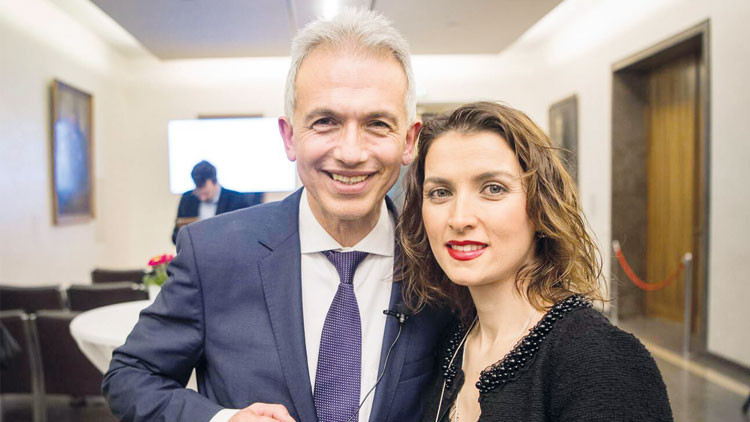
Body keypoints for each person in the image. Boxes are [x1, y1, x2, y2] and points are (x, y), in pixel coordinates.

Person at [103, 9, 449, 422]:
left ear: (409, 140)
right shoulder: (212, 253)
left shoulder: (440, 261)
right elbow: (131, 376)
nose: (351, 153)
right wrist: (223, 420)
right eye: (325, 121)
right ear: (289, 137)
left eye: (377, 123)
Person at [398, 102, 673, 421]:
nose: (459, 219)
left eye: (493, 189)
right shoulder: (452, 338)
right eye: (440, 192)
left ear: (540, 205)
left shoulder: (601, 359)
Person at [171, 160, 262, 244]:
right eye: (198, 189)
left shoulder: (236, 199)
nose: (202, 197)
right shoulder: (187, 199)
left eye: (205, 190)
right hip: (196, 252)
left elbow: (247, 234)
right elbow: (175, 236)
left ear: (214, 181)